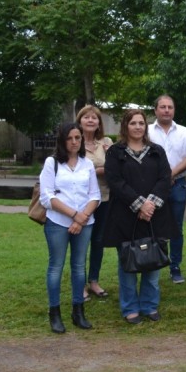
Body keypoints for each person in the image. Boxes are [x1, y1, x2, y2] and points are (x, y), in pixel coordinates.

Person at [104, 109, 178, 324]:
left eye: (141, 123)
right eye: (133, 123)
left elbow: (165, 178)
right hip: (125, 216)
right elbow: (115, 181)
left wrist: (150, 205)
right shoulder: (115, 152)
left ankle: (149, 305)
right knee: (127, 263)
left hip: (155, 216)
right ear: (125, 126)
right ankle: (130, 308)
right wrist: (139, 205)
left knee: (153, 262)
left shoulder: (157, 151)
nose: (137, 127)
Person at [40, 123, 100, 333]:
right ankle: (54, 312)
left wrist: (81, 219)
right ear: (62, 141)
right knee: (56, 267)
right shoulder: (52, 163)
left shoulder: (87, 164)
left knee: (78, 267)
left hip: (84, 223)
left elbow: (95, 195)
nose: (74, 142)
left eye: (78, 138)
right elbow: (47, 197)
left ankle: (78, 311)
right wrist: (74, 215)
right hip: (58, 222)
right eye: (70, 138)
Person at [148, 95, 186, 284]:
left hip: (178, 184)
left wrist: (170, 174)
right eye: (163, 107)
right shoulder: (147, 131)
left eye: (170, 107)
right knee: (154, 226)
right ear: (156, 110)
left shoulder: (183, 132)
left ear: (174, 110)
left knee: (176, 228)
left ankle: (175, 266)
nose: (167, 110)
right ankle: (154, 264)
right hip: (152, 186)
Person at [76, 105, 112, 301]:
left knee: (98, 241)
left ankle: (94, 281)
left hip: (104, 198)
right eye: (86, 117)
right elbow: (73, 169)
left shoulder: (106, 143)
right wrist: (100, 169)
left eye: (94, 118)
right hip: (80, 201)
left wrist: (110, 158)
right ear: (80, 120)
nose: (90, 120)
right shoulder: (73, 142)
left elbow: (114, 167)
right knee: (81, 242)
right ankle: (80, 284)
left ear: (99, 123)